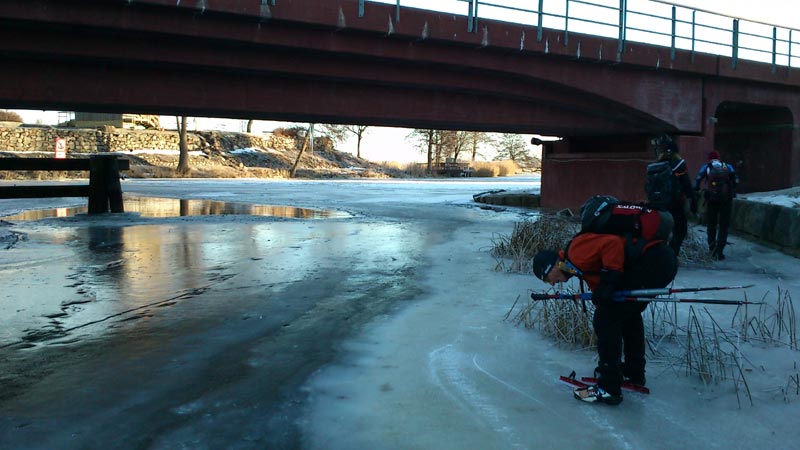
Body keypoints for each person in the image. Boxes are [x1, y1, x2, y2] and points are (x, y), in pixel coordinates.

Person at [532, 233, 677, 405]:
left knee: (604, 319)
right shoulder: (576, 266)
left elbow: (612, 244)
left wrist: (609, 282)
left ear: (552, 266)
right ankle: (633, 373)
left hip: (652, 262)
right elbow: (603, 290)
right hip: (659, 261)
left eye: (548, 278)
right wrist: (603, 292)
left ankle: (608, 388)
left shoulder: (576, 252)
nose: (553, 284)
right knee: (627, 315)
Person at [649, 138, 694, 256]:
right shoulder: (679, 164)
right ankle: (672, 255)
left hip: (657, 204)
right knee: (680, 230)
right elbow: (686, 184)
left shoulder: (654, 165)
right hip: (675, 203)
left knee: (660, 230)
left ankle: (659, 254)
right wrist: (691, 199)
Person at [693, 150, 739, 260]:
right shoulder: (727, 166)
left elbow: (697, 180)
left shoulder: (706, 167)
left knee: (711, 225)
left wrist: (696, 192)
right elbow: (736, 180)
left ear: (709, 159)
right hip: (726, 200)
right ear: (719, 158)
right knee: (724, 226)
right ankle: (720, 251)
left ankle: (712, 249)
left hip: (711, 199)